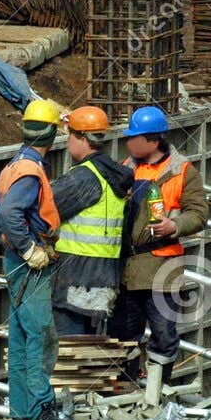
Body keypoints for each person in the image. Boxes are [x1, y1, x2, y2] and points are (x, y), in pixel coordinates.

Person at [0, 99, 66, 420]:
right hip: (30, 264)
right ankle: (42, 413)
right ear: (51, 135)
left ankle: (20, 410)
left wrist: (10, 244)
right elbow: (7, 215)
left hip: (14, 261)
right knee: (41, 336)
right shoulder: (32, 172)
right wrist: (29, 248)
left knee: (19, 335)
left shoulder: (13, 166)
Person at [113, 105, 209, 379]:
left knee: (163, 334)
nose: (128, 142)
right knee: (125, 334)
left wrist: (174, 226)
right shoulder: (125, 169)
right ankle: (127, 387)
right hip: (128, 270)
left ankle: (158, 394)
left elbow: (199, 213)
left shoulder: (182, 171)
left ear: (153, 140)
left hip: (162, 268)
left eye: (133, 137)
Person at [49, 105, 132, 336]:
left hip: (75, 276)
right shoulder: (112, 176)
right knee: (90, 355)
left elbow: (46, 208)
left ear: (82, 137)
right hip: (105, 278)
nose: (67, 144)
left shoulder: (84, 177)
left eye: (70, 136)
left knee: (68, 354)